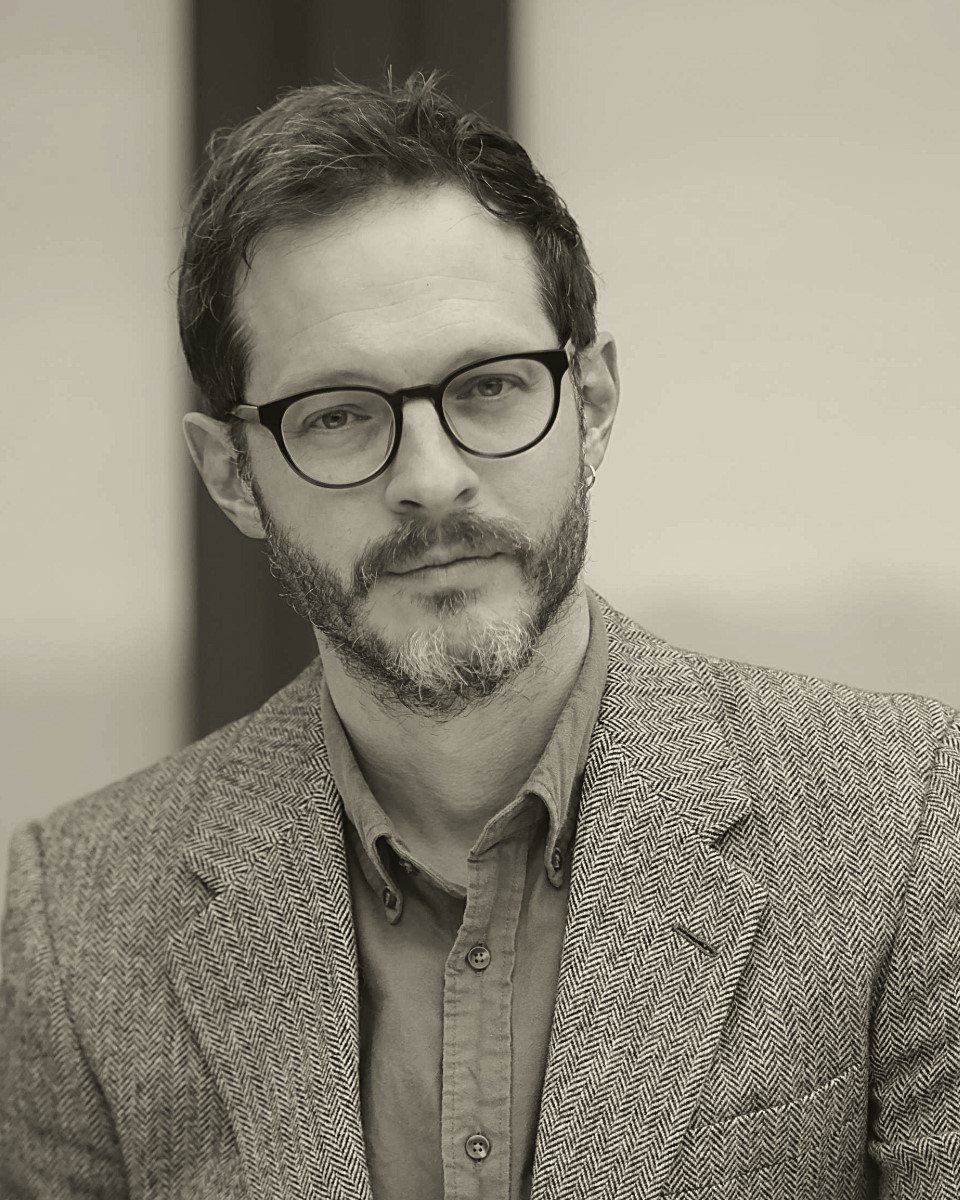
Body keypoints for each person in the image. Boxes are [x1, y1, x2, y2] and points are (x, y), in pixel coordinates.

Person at [1, 70, 957, 1200]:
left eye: (490, 388)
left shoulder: (905, 820)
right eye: (338, 414)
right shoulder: (70, 923)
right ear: (232, 475)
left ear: (591, 402)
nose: (431, 478)